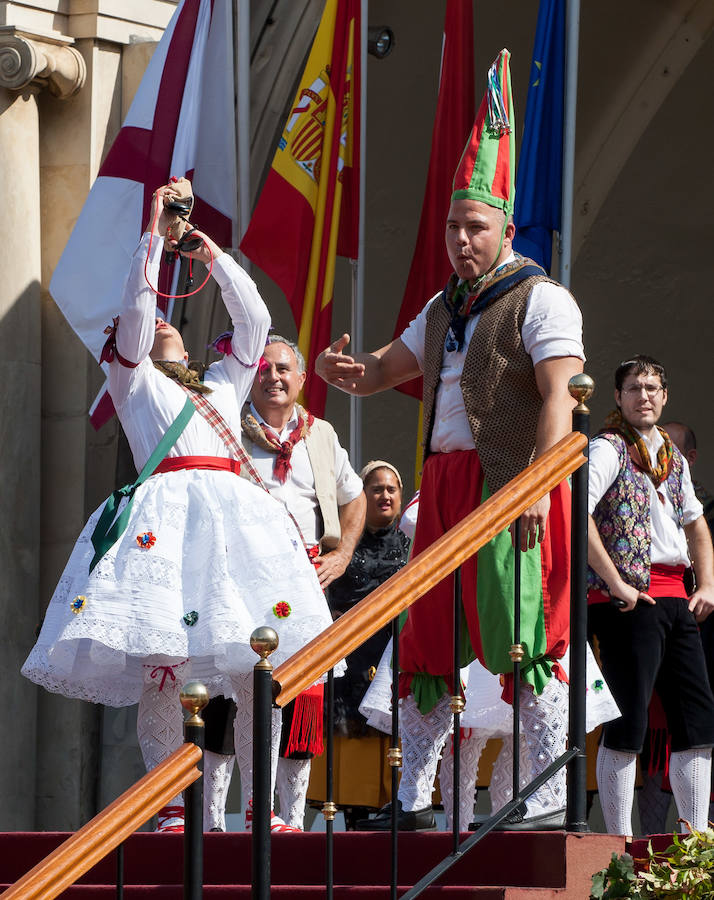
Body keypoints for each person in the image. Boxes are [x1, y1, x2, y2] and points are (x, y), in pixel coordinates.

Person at [316, 50, 584, 830]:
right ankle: (414, 799)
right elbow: (380, 372)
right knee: (428, 642)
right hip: (444, 489)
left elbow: (560, 397)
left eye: (475, 226)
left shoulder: (543, 298)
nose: (461, 239)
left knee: (527, 638)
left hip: (513, 483)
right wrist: (348, 370)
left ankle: (547, 792)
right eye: (452, 226)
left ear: (504, 227)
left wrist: (535, 487)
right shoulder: (441, 309)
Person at [21, 185, 336, 833]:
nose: (166, 322)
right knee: (164, 668)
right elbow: (137, 313)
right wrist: (155, 240)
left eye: (173, 321)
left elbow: (252, 320)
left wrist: (211, 254)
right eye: (153, 324)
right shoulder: (131, 378)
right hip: (164, 528)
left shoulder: (224, 382)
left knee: (258, 667)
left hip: (232, 529)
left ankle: (260, 808)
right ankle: (169, 806)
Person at [201, 334, 365, 831]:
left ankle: (288, 823)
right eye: (263, 368)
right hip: (238, 582)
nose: (273, 376)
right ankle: (213, 824)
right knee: (224, 701)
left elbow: (352, 498)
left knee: (298, 705)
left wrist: (343, 554)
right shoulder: (225, 429)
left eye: (283, 369)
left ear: (301, 378)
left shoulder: (321, 434)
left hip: (302, 584)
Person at [587, 356, 714, 837]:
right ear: (618, 398)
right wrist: (616, 582)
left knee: (697, 720)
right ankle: (617, 843)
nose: (644, 395)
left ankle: (694, 838)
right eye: (634, 387)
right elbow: (579, 511)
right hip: (627, 602)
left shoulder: (672, 457)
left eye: (653, 387)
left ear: (664, 396)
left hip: (676, 597)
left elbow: (695, 523)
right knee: (629, 721)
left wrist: (707, 584)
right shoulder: (606, 448)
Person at [308, 460, 410, 828]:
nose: (384, 495)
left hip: (393, 660)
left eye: (391, 489)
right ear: (361, 497)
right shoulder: (339, 548)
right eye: (376, 489)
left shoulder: (413, 547)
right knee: (353, 783)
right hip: (350, 667)